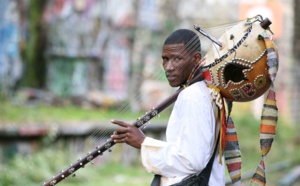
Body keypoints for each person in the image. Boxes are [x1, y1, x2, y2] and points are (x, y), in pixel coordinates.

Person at [111, 29, 225, 185]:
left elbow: (192, 161)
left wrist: (144, 143)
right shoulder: (205, 89)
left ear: (196, 59)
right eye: (165, 59)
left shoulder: (192, 95)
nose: (169, 67)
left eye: (177, 59)